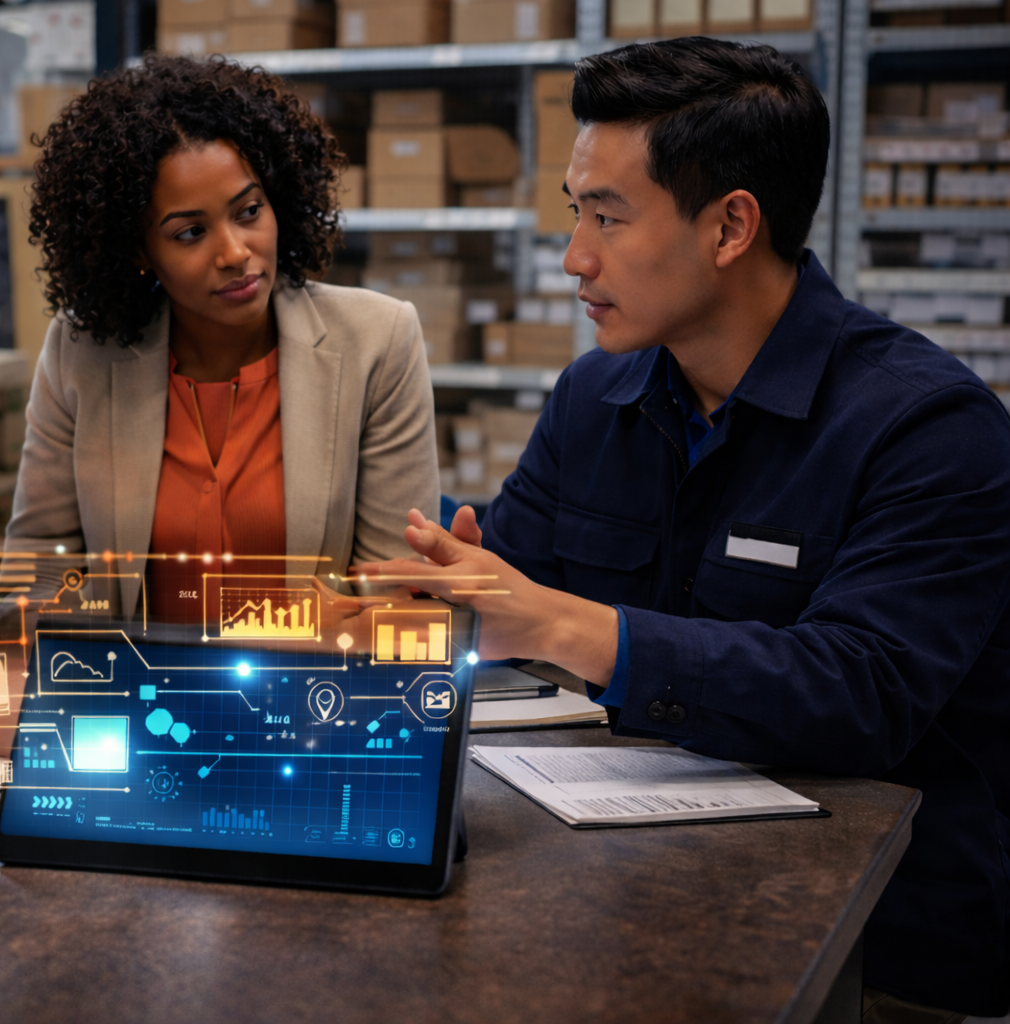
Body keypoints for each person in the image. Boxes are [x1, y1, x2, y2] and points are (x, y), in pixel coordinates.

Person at [360, 39, 1010, 1022]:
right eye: (576, 211)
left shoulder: (930, 431)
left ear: (730, 226)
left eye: (609, 217)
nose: (576, 254)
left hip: (881, 960)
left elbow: (858, 695)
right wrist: (442, 594)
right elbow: (507, 591)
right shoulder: (594, 398)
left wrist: (560, 625)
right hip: (624, 906)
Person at [3, 56, 440, 621]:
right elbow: (32, 581)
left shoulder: (379, 342)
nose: (235, 253)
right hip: (139, 701)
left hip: (314, 700)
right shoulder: (79, 353)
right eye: (190, 232)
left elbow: (394, 597)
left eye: (249, 211)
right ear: (138, 251)